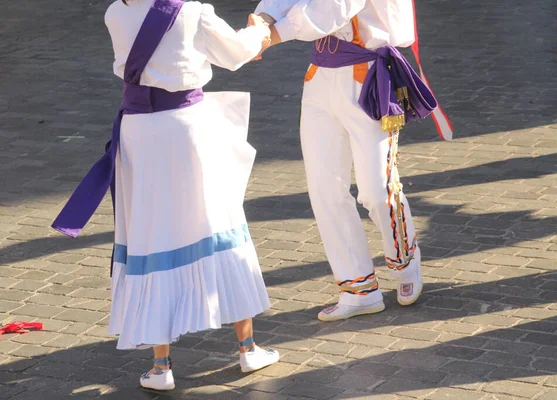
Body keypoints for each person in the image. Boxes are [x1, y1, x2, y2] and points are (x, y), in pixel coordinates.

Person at [51, 0, 279, 391]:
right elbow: (237, 53)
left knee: (151, 236)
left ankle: (161, 366)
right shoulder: (192, 10)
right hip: (186, 129)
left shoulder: (114, 14)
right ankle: (247, 348)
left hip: (139, 135)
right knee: (219, 221)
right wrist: (259, 28)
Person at [253, 0, 448, 322]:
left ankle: (404, 260)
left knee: (376, 189)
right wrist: (262, 20)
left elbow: (332, 9)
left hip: (369, 76)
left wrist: (266, 35)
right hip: (320, 76)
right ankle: (359, 290)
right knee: (325, 189)